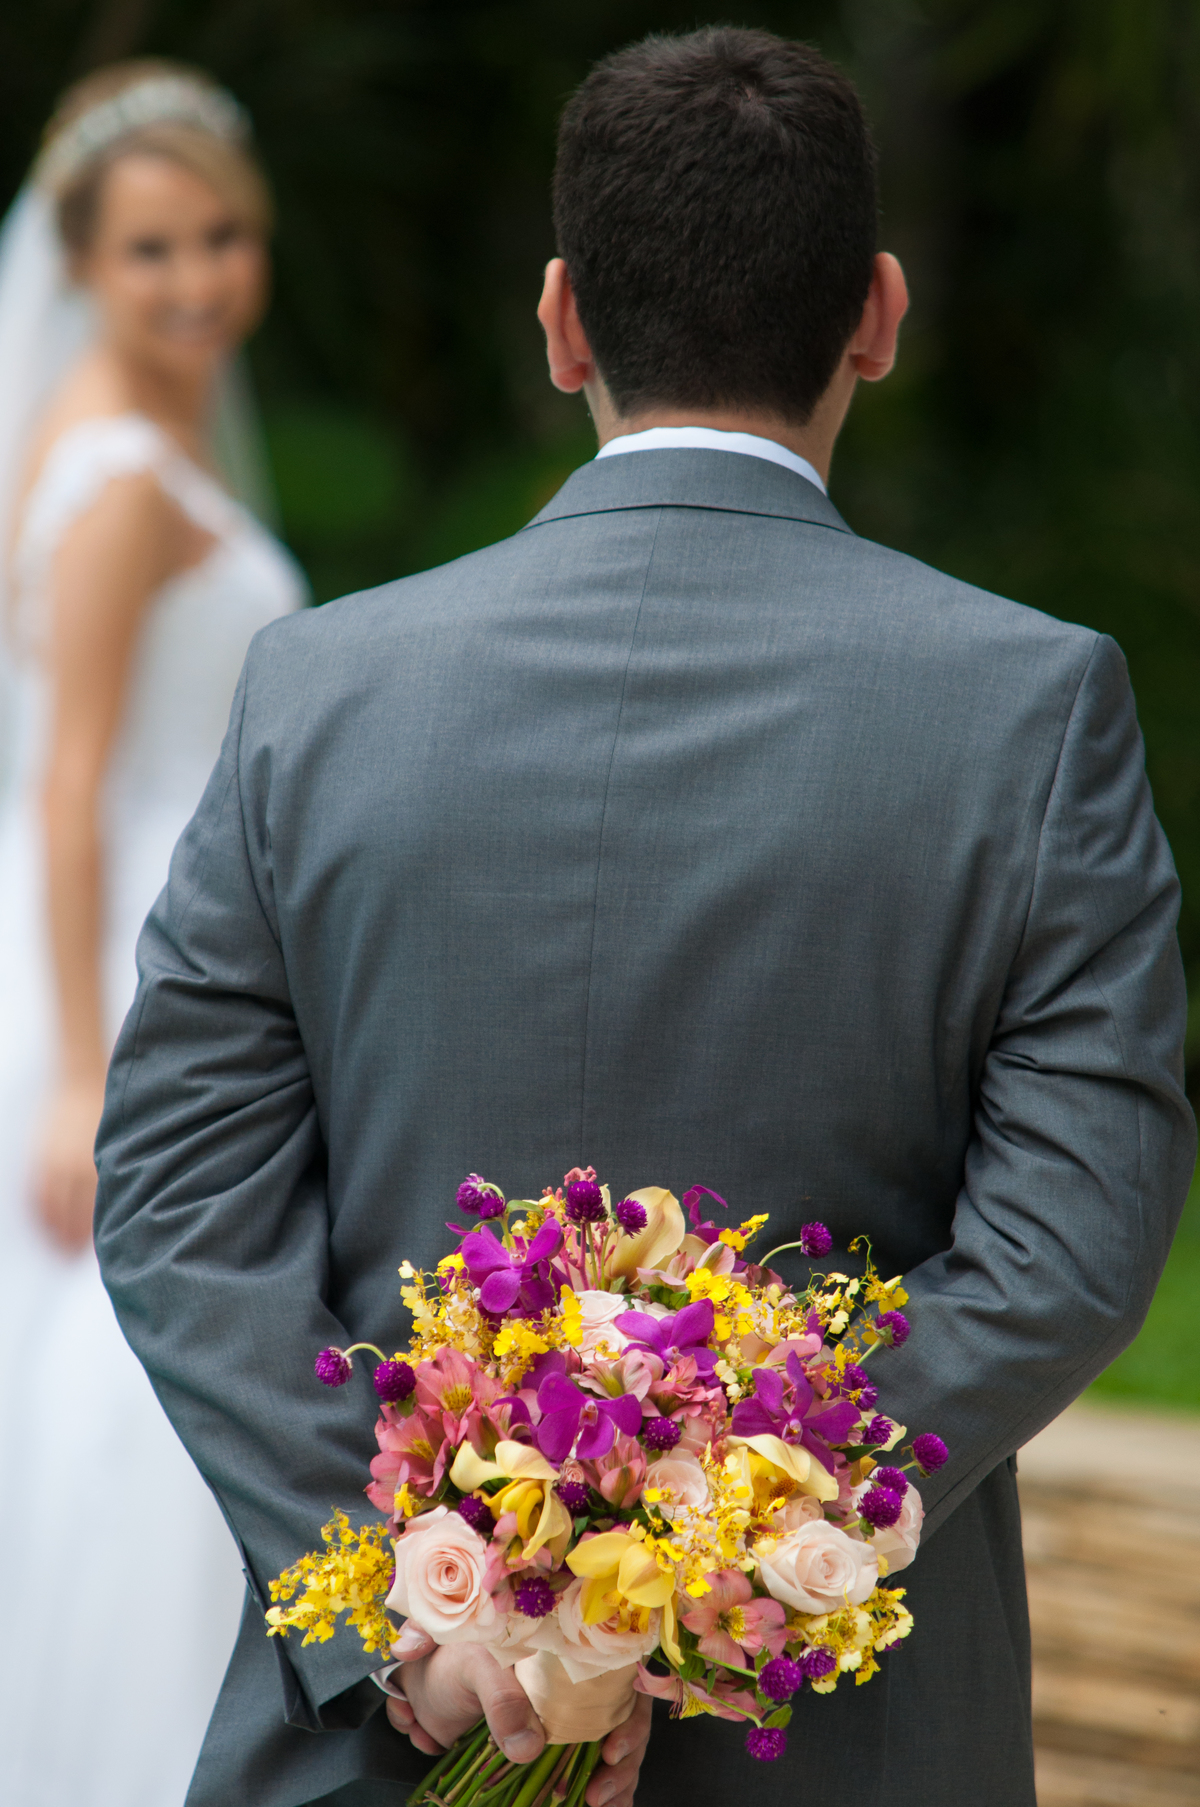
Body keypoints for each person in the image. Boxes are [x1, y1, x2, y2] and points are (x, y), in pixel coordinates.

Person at [94, 27, 1194, 1807]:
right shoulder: (1032, 707)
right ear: (880, 316)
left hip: (387, 1741)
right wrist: (710, 1557)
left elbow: (174, 1197)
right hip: (842, 1739)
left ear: (559, 322)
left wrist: (427, 1616)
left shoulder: (319, 690)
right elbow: (1073, 1243)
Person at [0, 60, 305, 1807]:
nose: (197, 279)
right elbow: (66, 783)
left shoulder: (149, 431)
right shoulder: (118, 472)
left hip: (172, 932)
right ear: (84, 266)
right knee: (136, 1363)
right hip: (123, 953)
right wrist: (75, 1069)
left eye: (224, 238)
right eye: (151, 251)